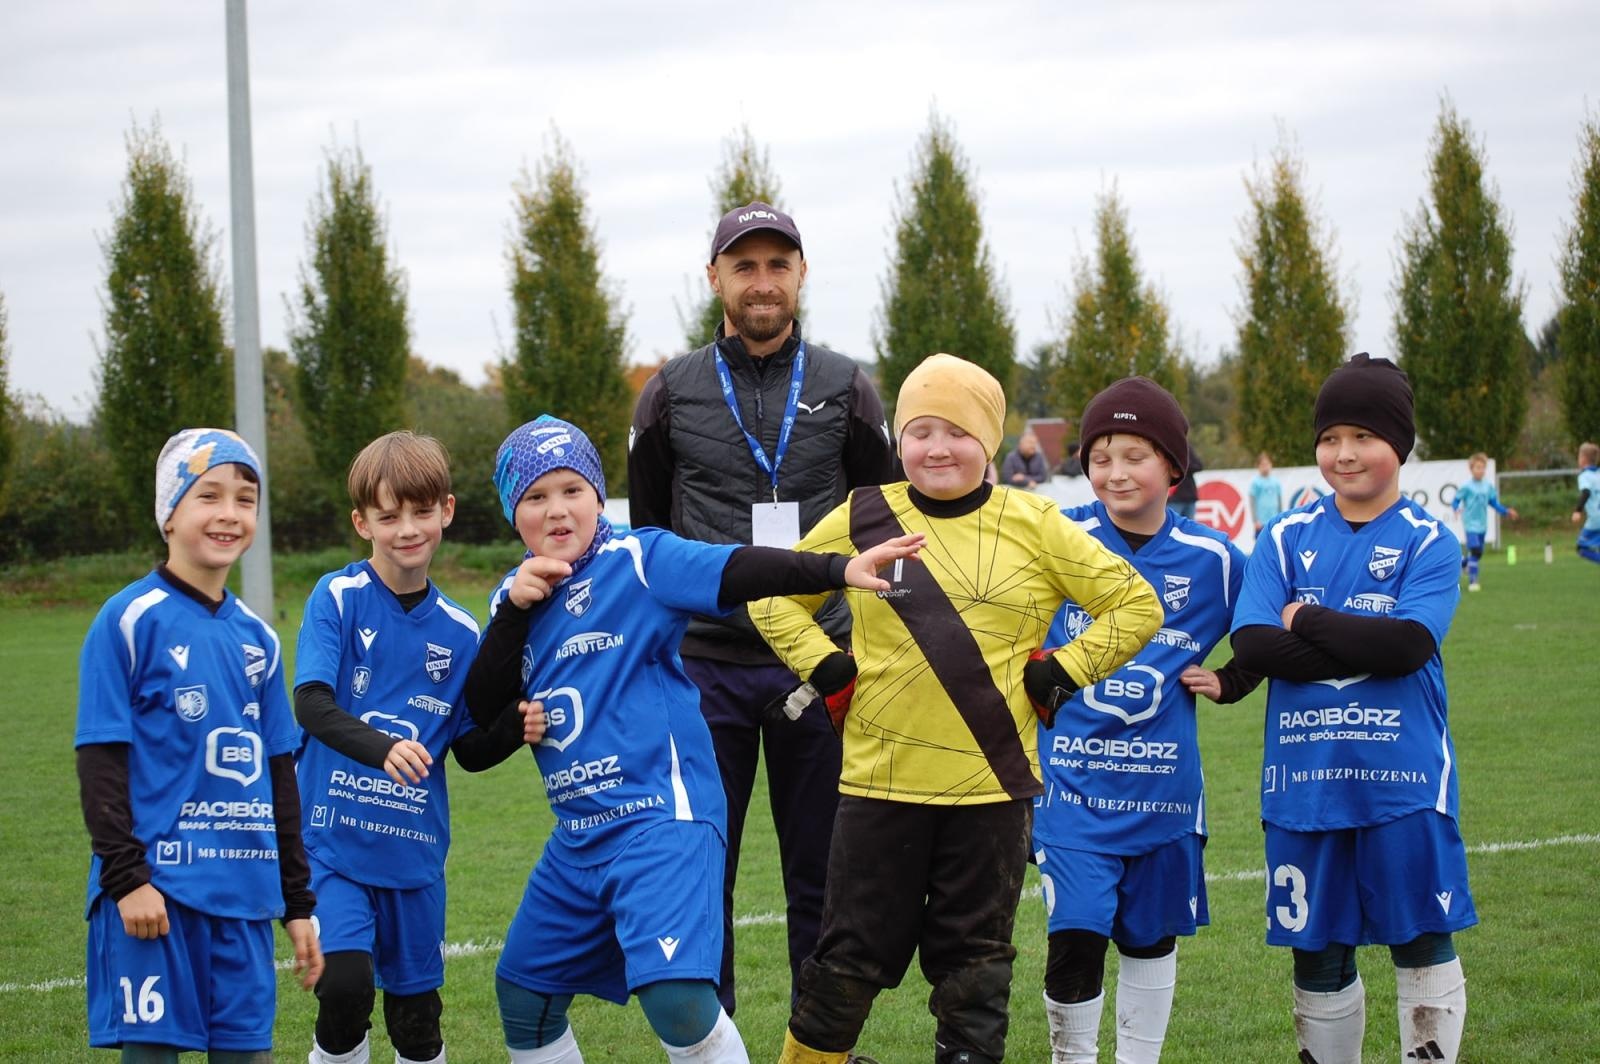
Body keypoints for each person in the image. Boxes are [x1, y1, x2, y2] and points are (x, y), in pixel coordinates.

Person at [462, 416, 921, 1064]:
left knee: (677, 998)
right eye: (535, 497)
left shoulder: (639, 560)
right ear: (514, 513)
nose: (557, 509)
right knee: (524, 995)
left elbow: (738, 568)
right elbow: (481, 709)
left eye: (571, 490)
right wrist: (514, 611)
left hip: (661, 821)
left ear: (599, 496)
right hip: (578, 836)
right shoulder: (511, 596)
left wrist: (839, 568)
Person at [749, 354, 1164, 1064]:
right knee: (844, 965)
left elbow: (1135, 605)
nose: (937, 447)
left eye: (958, 431)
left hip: (992, 791)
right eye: (920, 431)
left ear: (991, 441)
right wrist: (824, 663)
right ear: (898, 439)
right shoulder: (864, 513)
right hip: (879, 788)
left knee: (976, 973)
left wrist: (1063, 671)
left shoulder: (1035, 523)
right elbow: (770, 593)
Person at [627, 201, 896, 1014]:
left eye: (779, 264)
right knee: (702, 867)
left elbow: (880, 522)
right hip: (704, 669)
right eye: (744, 266)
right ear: (715, 279)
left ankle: (817, 1041)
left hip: (820, 663)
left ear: (802, 274)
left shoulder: (847, 386)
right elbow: (646, 542)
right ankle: (719, 1043)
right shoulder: (668, 392)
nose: (763, 282)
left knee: (823, 870)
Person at [1230, 353, 1475, 1064]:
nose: (1345, 454)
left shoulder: (1429, 542)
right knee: (1317, 950)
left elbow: (1405, 645)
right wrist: (1352, 641)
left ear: (1399, 444)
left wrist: (1303, 620)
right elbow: (1251, 643)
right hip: (1303, 788)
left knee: (1421, 940)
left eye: (1363, 436)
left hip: (1403, 786)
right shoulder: (1282, 538)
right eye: (1331, 437)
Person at [75, 428, 323, 1061]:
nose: (229, 514)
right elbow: (101, 762)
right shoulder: (129, 620)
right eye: (208, 495)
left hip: (242, 900)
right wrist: (127, 879)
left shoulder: (260, 640)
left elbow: (279, 779)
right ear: (169, 512)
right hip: (157, 895)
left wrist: (297, 903)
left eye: (245, 500)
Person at [1033, 378, 1261, 1064]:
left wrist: (1233, 679)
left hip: (1164, 795)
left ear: (1172, 466)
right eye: (1100, 456)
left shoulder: (1214, 560)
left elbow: (1270, 624)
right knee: (1074, 934)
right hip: (1069, 791)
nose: (1115, 471)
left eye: (1134, 454)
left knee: (1149, 939)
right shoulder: (1058, 537)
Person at [294, 431, 529, 1064]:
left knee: (417, 1024)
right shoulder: (337, 598)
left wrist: (516, 726)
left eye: (421, 512)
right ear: (362, 522)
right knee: (343, 993)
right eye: (388, 515)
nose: (407, 529)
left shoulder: (460, 629)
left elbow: (470, 749)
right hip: (334, 846)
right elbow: (311, 704)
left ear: (446, 511)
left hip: (414, 858)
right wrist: (383, 748)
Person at [1450, 451, 1518, 591]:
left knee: (1478, 553)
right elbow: (1456, 500)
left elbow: (1493, 503)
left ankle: (1462, 563)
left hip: (1482, 525)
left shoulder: (1488, 486)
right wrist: (1456, 508)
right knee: (1475, 550)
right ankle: (1473, 582)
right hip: (1470, 524)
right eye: (1477, 467)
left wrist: (1506, 511)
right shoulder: (1467, 487)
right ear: (1471, 469)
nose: (1480, 470)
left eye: (1482, 467)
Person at [1572, 441, 1600, 564]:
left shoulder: (1584, 475)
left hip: (1596, 519)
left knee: (1581, 548)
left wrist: (1577, 511)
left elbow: (1586, 492)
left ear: (1583, 459)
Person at [1249, 451, 1285, 535]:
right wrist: (1255, 520)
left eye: (1267, 464)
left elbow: (1279, 501)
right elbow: (1252, 502)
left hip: (1274, 520)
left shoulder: (1276, 482)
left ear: (1271, 465)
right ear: (1258, 466)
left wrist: (1280, 517)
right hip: (1261, 523)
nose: (1265, 467)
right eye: (1263, 465)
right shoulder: (1256, 482)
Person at [1168, 446, 1202, 519]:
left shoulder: (1187, 447)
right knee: (1172, 525)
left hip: (1189, 496)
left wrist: (1182, 466)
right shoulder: (1167, 446)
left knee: (1189, 528)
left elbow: (1199, 465)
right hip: (1174, 497)